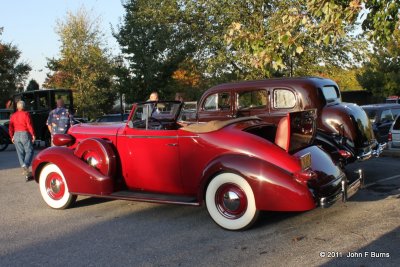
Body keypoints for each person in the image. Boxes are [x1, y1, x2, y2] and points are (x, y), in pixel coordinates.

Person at [9, 100, 35, 181]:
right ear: (23, 107)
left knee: (20, 152)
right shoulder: (26, 114)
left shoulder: (13, 115)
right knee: (30, 150)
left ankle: (24, 166)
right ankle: (25, 165)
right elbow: (29, 125)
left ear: (17, 107)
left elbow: (10, 127)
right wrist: (33, 134)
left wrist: (11, 136)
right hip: (24, 133)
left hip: (16, 134)